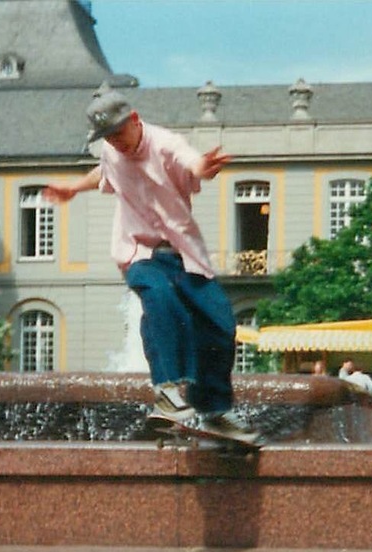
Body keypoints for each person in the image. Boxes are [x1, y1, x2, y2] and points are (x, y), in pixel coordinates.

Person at [43, 84, 260, 445]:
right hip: (138, 253)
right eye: (107, 138)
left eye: (118, 133)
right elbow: (104, 171)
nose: (116, 143)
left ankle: (215, 411)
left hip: (183, 254)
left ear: (134, 119)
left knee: (220, 323)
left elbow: (190, 160)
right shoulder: (112, 152)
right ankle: (168, 391)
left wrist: (203, 168)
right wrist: (72, 188)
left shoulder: (164, 144)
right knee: (160, 299)